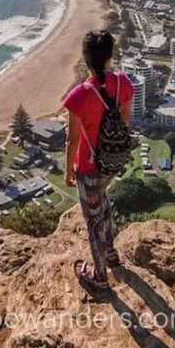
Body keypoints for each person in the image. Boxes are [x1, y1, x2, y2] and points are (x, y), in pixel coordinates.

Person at [62, 29, 133, 295]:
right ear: (109, 56)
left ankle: (100, 276)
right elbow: (124, 123)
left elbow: (72, 142)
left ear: (86, 59)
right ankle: (111, 254)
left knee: (93, 220)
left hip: (89, 167)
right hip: (112, 163)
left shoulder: (78, 96)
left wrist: (68, 172)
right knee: (103, 206)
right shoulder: (123, 83)